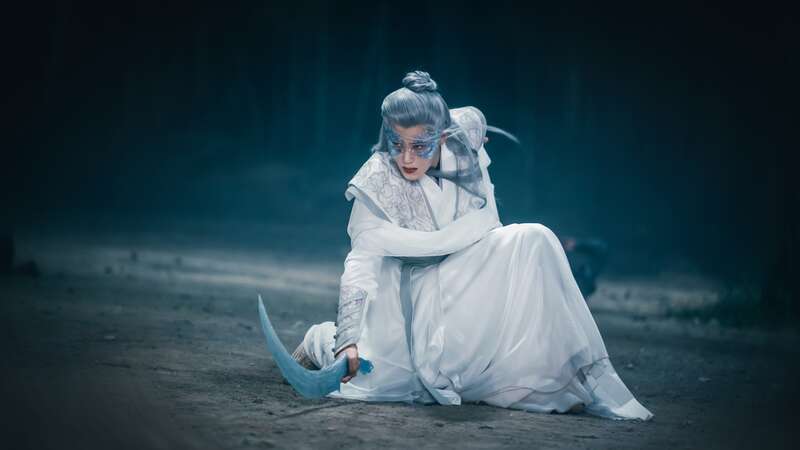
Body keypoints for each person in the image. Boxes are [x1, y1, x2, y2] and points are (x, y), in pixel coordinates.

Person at [292, 70, 653, 420]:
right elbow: (361, 261)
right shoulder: (377, 178)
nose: (407, 158)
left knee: (535, 238)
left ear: (442, 136)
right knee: (385, 381)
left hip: (466, 266)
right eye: (397, 144)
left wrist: (471, 139)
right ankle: (321, 339)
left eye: (420, 146)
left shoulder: (461, 140)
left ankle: (557, 380)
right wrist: (347, 341)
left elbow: (468, 119)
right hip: (406, 295)